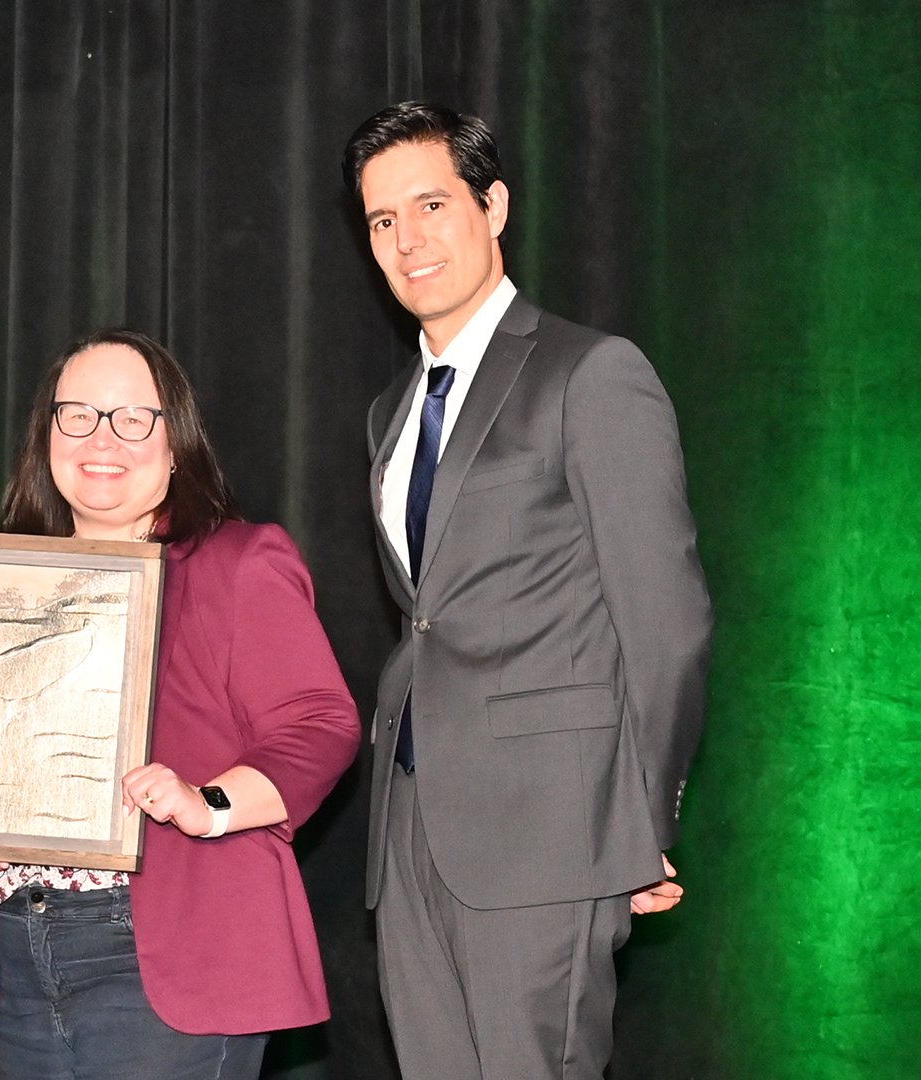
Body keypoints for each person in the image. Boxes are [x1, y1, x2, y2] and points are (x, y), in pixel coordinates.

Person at [341, 101, 713, 1079]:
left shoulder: (592, 375)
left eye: (430, 203)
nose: (407, 239)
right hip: (412, 827)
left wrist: (638, 823)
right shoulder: (390, 414)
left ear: (493, 205)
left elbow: (666, 624)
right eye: (383, 220)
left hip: (548, 831)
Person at [0, 329, 361, 1079]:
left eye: (134, 419)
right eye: (79, 416)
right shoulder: (6, 585)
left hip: (173, 952)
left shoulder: (237, 562)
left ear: (176, 444)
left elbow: (322, 725)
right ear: (46, 437)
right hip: (26, 948)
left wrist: (209, 801)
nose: (104, 439)